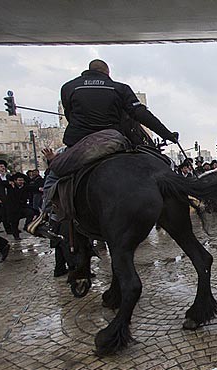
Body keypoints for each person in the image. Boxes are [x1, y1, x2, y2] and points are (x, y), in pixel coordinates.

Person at [29, 59, 178, 238]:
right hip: (113, 142)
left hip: (80, 144)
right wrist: (167, 134)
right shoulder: (119, 88)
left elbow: (70, 115)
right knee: (159, 163)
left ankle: (47, 218)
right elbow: (140, 114)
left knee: (54, 173)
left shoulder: (68, 87)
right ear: (107, 73)